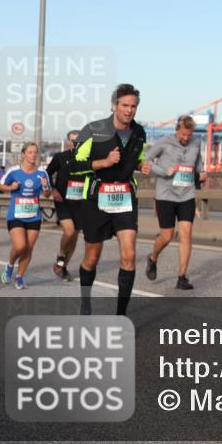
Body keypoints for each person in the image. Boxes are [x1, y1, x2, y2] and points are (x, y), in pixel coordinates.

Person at [69, 83, 151, 315]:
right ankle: (85, 304)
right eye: (125, 105)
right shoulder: (93, 129)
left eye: (133, 106)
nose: (129, 110)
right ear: (114, 105)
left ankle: (120, 316)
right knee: (92, 257)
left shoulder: (139, 132)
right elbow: (73, 165)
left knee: (129, 255)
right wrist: (104, 162)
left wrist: (140, 165)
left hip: (124, 198)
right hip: (96, 199)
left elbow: (136, 157)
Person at [144, 115, 206, 290]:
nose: (186, 138)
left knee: (186, 234)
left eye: (189, 135)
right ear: (177, 130)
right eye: (183, 134)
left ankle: (182, 277)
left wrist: (202, 174)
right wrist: (164, 171)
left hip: (187, 195)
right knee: (167, 236)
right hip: (166, 195)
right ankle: (153, 257)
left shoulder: (196, 143)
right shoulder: (164, 142)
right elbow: (145, 160)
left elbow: (198, 166)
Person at [0, 142, 51, 290]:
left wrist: (45, 186)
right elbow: (0, 185)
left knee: (28, 248)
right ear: (23, 154)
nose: (33, 155)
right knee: (20, 246)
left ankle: (20, 277)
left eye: (35, 152)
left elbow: (47, 194)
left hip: (34, 215)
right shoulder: (14, 171)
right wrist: (11, 187)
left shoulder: (42, 173)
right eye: (30, 152)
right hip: (16, 215)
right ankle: (10, 266)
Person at [45, 130, 83, 281]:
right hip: (63, 200)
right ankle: (61, 254)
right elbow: (47, 173)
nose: (75, 143)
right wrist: (53, 190)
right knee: (69, 231)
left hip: (80, 202)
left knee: (75, 236)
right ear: (68, 142)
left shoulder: (88, 158)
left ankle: (63, 266)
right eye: (72, 140)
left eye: (78, 140)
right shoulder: (60, 157)